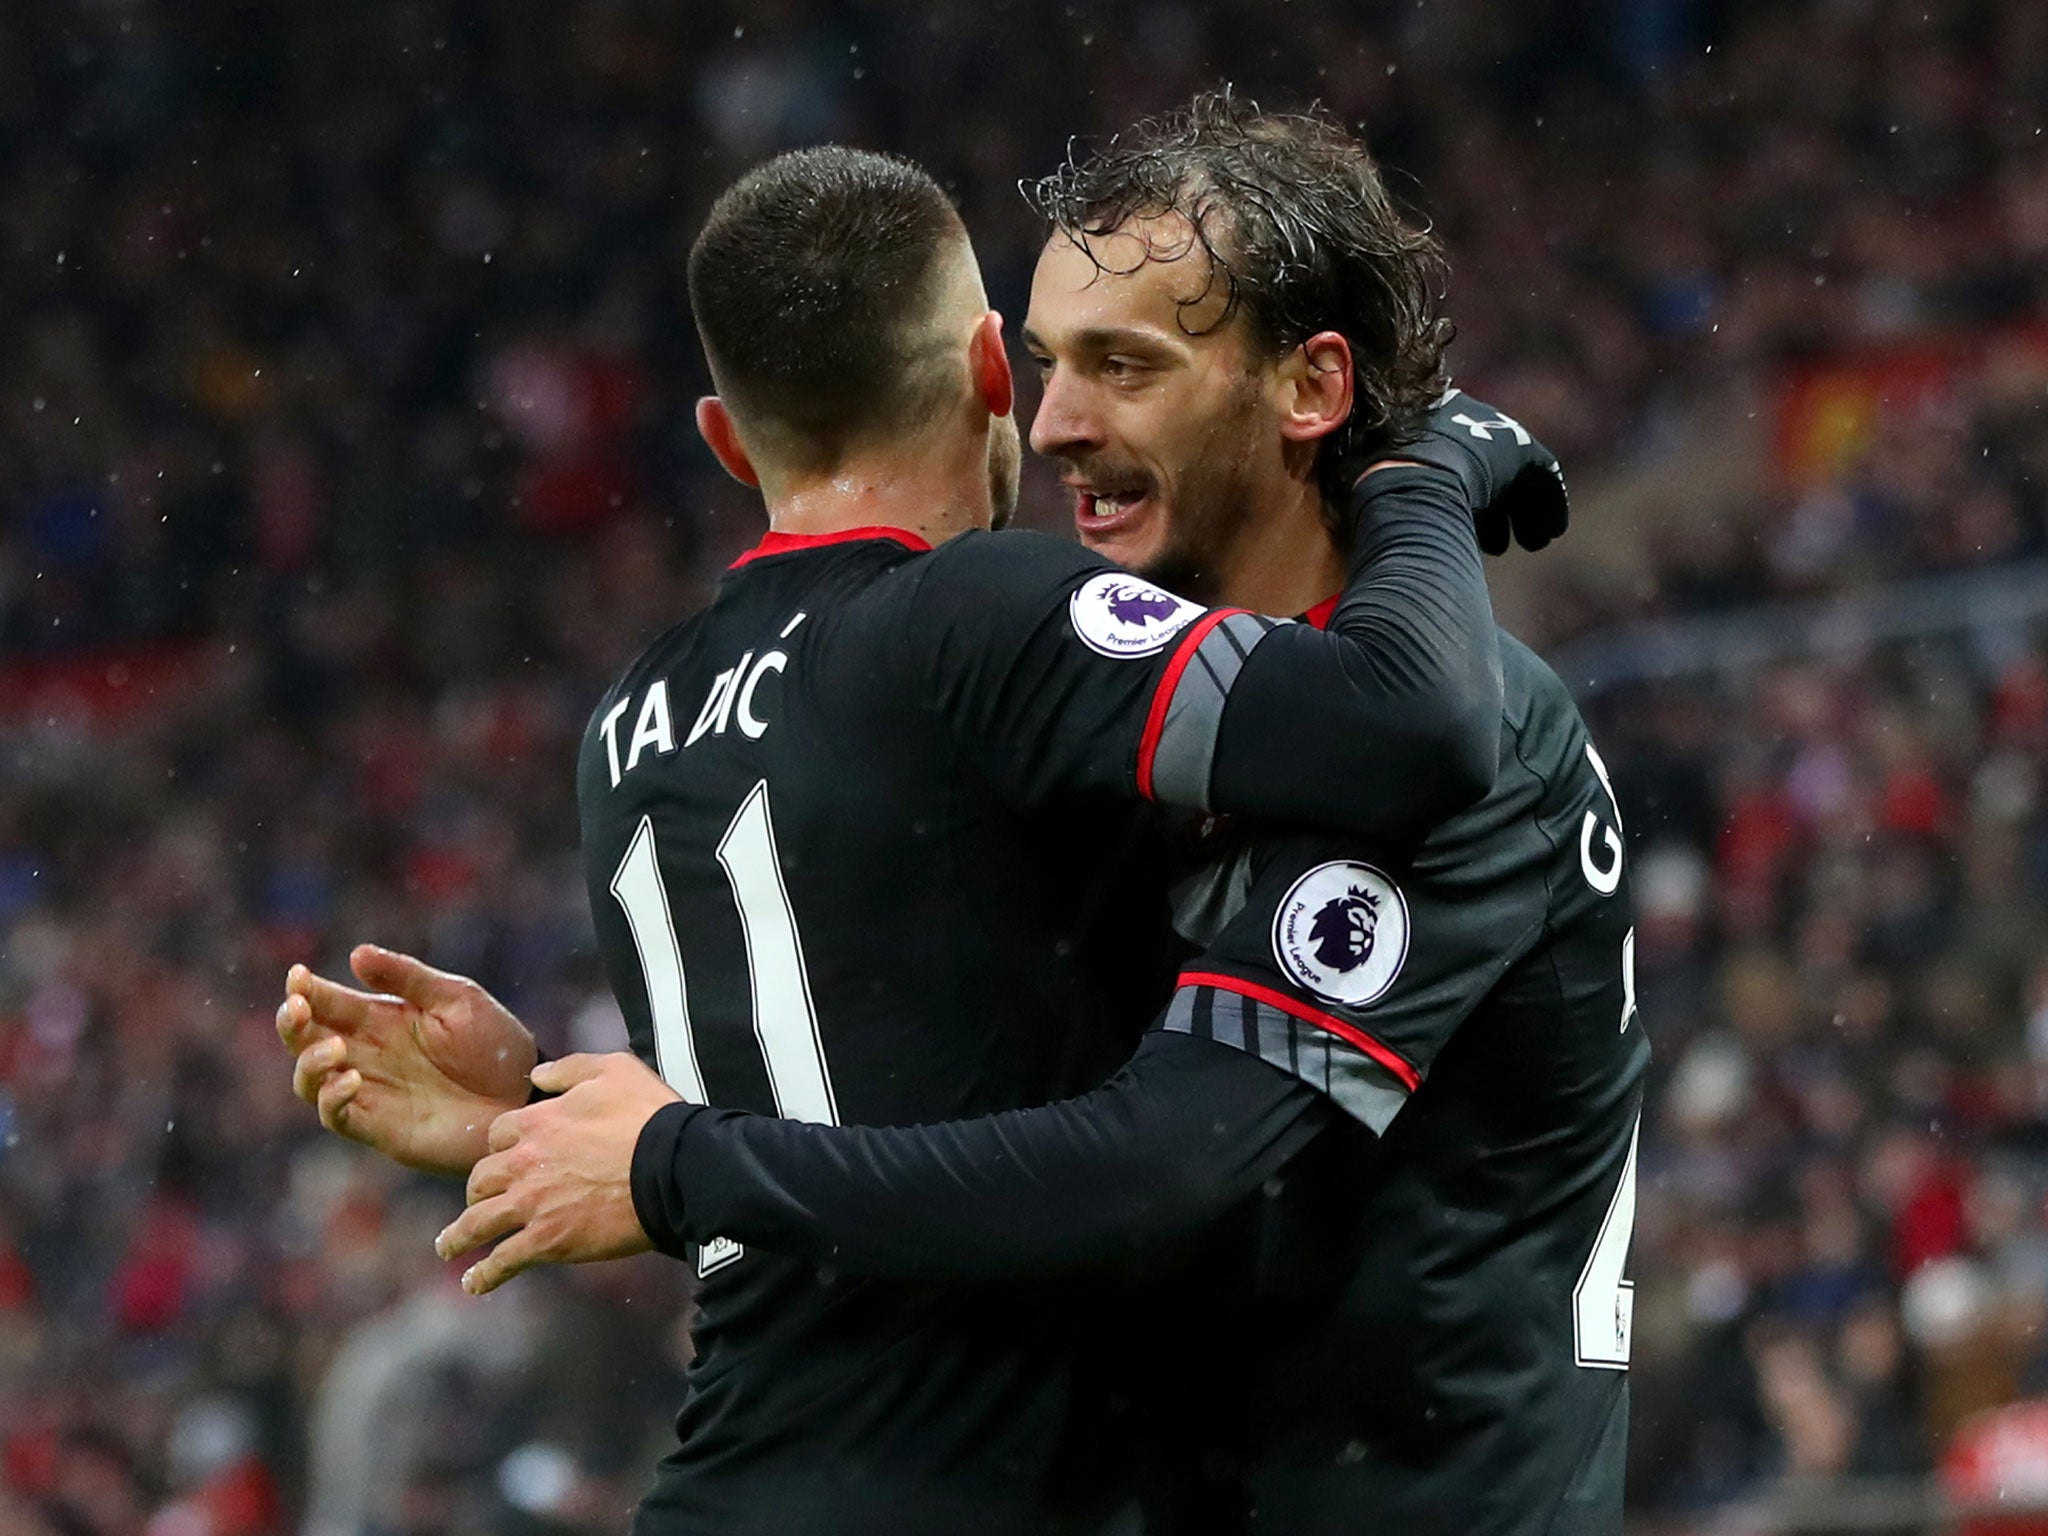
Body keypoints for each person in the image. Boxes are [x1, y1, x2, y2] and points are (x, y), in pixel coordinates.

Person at [281, 113, 1562, 1535]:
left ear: (724, 439)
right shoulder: (975, 614)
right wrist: (1429, 468)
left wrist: (535, 1111)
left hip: (727, 1484)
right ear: (989, 373)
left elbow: (853, 1066)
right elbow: (1407, 720)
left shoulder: (627, 724)